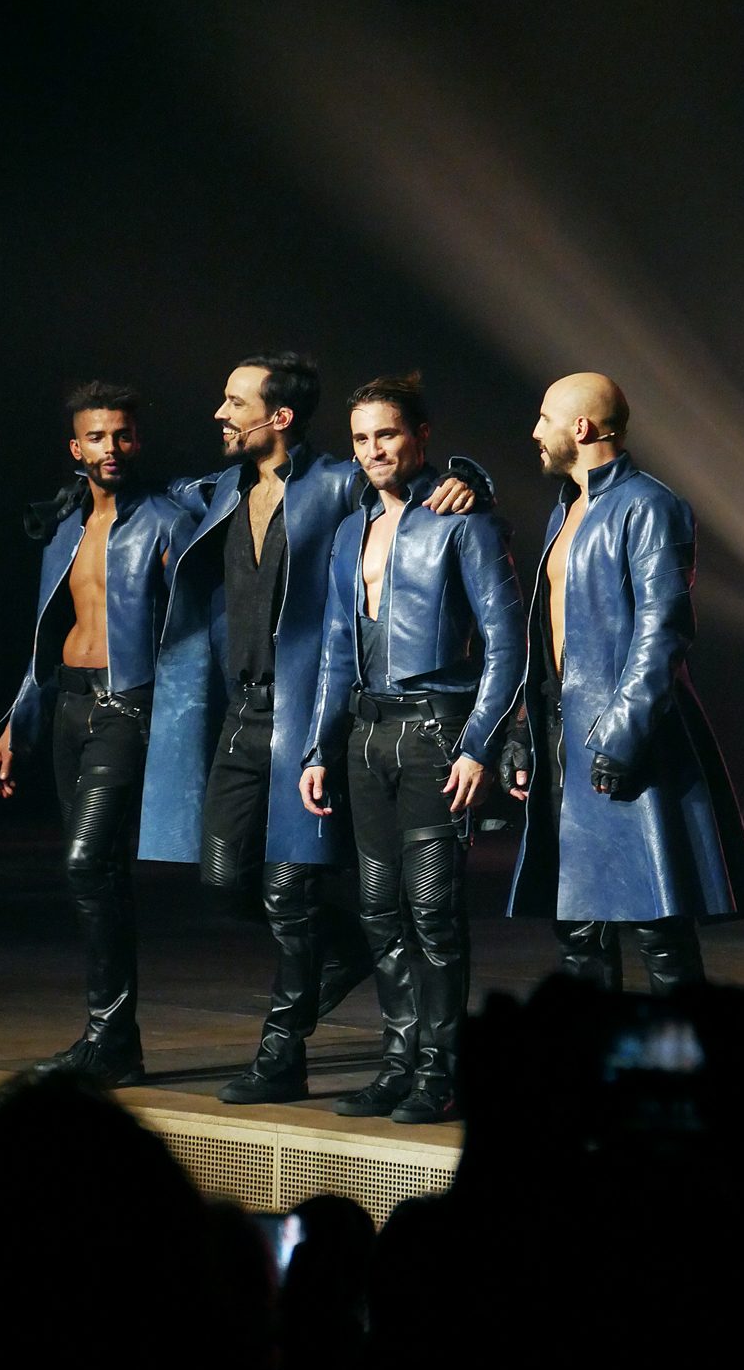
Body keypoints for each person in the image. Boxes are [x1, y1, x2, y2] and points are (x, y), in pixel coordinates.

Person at [138, 353, 488, 1105]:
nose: (220, 414)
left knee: (290, 891)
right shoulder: (222, 490)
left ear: (279, 416)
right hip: (242, 712)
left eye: (234, 402)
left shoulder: (334, 481)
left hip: (307, 712)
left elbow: (409, 483)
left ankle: (283, 1052)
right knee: (225, 878)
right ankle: (354, 947)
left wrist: (473, 477)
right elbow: (163, 494)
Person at [301, 373, 526, 1123]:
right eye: (361, 438)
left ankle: (441, 1071)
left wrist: (478, 745)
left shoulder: (464, 521)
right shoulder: (349, 532)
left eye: (387, 434)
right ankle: (399, 1063)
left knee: (433, 910)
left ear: (420, 436)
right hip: (367, 736)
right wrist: (317, 749)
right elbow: (335, 649)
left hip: (435, 735)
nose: (373, 450)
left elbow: (507, 644)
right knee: (377, 909)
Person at [501, 371, 744, 991]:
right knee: (578, 927)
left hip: (628, 738)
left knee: (657, 923)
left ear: (581, 427)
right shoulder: (566, 510)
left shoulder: (649, 505)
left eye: (545, 418)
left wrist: (621, 735)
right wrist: (523, 730)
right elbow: (549, 637)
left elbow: (663, 632)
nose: (535, 431)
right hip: (564, 733)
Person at [0, 382, 194, 1085]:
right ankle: (116, 1043)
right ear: (76, 448)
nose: (112, 447)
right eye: (97, 437)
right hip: (69, 708)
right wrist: (17, 725)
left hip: (126, 707)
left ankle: (108, 1036)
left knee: (83, 863)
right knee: (98, 873)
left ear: (138, 440)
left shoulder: (166, 521)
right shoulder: (64, 527)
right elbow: (46, 638)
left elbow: (196, 633)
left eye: (123, 434)